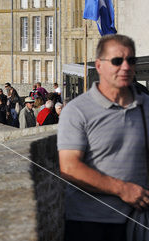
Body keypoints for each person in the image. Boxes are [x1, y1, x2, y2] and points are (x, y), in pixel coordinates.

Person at [58, 34, 149, 241]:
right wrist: (123, 189)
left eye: (131, 61)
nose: (125, 67)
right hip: (91, 223)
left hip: (137, 221)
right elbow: (69, 167)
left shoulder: (146, 106)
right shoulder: (77, 111)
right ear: (99, 66)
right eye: (117, 61)